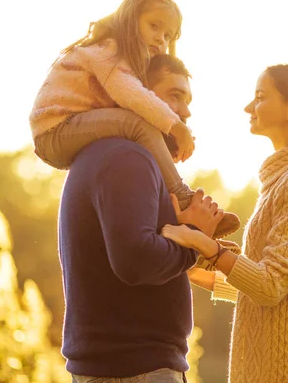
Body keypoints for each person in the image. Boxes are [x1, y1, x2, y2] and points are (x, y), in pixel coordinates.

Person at [162, 64, 288, 383]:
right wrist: (187, 261)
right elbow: (283, 292)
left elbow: (270, 286)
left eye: (260, 96)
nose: (248, 107)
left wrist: (204, 244)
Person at [59, 54, 226, 383]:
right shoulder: (127, 157)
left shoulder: (111, 153)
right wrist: (192, 236)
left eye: (188, 100)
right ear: (134, 94)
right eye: (174, 95)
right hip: (135, 370)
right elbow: (136, 260)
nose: (186, 112)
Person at [29, 0, 239, 238]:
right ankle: (182, 197)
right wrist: (176, 126)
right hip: (56, 128)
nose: (161, 38)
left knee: (138, 126)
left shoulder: (120, 59)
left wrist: (170, 137)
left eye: (168, 34)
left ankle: (184, 231)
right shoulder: (109, 51)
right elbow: (133, 96)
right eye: (154, 26)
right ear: (130, 19)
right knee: (137, 123)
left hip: (69, 128)